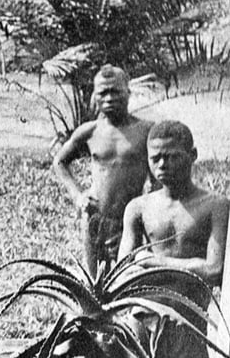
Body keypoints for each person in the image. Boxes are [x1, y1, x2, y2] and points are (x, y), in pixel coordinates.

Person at [117, 120, 230, 358]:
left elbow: (214, 269)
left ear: (193, 155)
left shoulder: (215, 206)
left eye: (172, 156)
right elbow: (123, 269)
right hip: (144, 321)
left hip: (189, 326)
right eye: (155, 158)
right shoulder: (139, 207)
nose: (162, 164)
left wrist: (154, 262)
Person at [52, 65, 154, 272]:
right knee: (95, 283)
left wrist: (153, 203)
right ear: (94, 96)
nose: (109, 98)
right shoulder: (90, 131)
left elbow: (158, 176)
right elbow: (59, 162)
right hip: (95, 217)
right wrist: (78, 195)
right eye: (103, 93)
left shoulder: (146, 131)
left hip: (131, 219)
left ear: (128, 92)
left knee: (130, 277)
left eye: (115, 91)